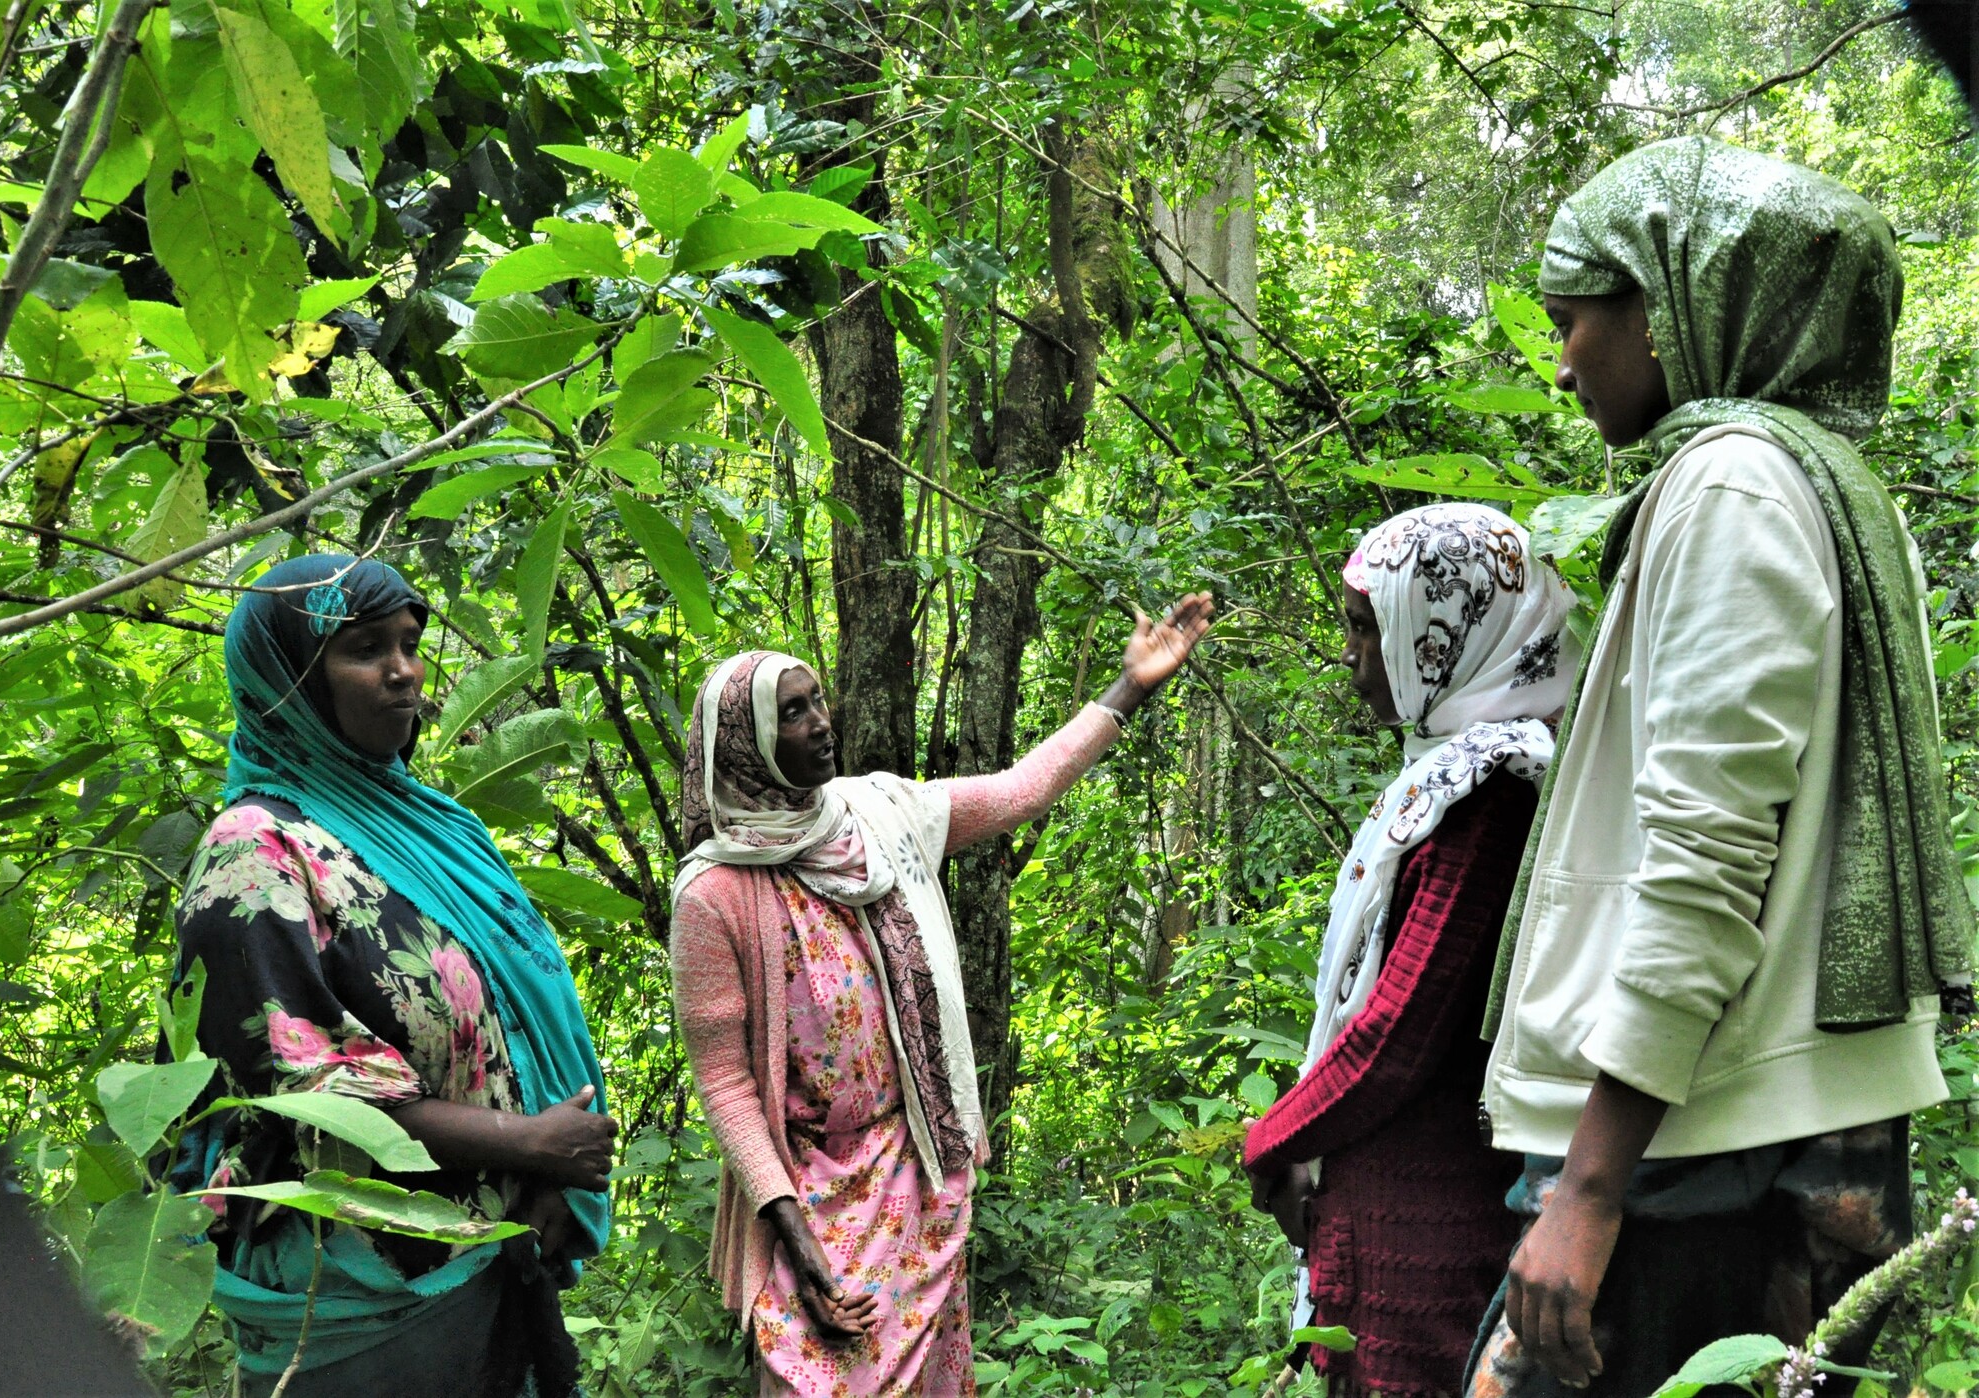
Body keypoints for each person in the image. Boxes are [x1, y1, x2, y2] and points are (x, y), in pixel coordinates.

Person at [1471, 137, 1974, 1396]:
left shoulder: (1733, 485)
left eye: (1575, 318)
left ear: (1672, 308)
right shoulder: (1829, 489)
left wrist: (1588, 1192)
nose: (1563, 358)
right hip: (1764, 1126)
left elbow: (1704, 848)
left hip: (1687, 1153)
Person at [669, 595, 1213, 1396]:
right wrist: (793, 1236)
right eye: (792, 713)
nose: (821, 721)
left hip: (916, 1167)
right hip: (808, 1195)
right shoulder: (712, 896)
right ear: (749, 745)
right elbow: (725, 1083)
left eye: (818, 701)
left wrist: (1128, 688)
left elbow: (1019, 791)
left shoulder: (878, 815)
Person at [170, 554, 618, 1398]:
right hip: (358, 1284)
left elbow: (520, 1010)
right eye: (366, 648)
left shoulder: (430, 823)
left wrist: (550, 1174)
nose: (404, 670)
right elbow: (307, 1092)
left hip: (497, 1242)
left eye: (410, 643)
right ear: (290, 681)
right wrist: (527, 1144)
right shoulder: (254, 851)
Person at [1243, 504, 1580, 1396]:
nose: (1351, 652)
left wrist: (1272, 1142)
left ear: (1447, 632)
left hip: (1431, 1218)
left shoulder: (1490, 791)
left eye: (1367, 626)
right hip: (1402, 1197)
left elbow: (1400, 1030)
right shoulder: (1454, 768)